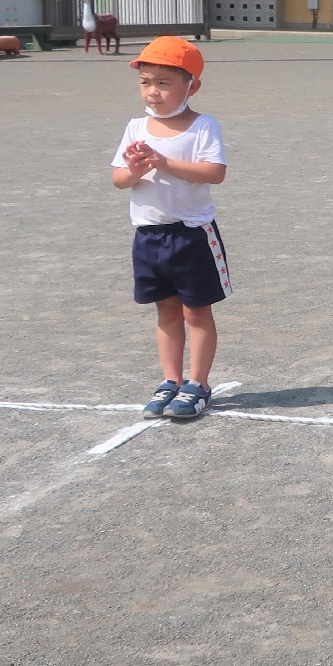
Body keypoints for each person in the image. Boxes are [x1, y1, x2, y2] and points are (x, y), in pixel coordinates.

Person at [109, 37, 229, 420]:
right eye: (146, 82)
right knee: (165, 311)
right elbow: (118, 179)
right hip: (148, 235)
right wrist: (136, 171)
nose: (153, 92)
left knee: (197, 312)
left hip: (191, 234)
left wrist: (162, 162)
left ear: (191, 86)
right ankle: (170, 381)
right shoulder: (135, 127)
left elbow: (215, 172)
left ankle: (198, 384)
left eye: (164, 82)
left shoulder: (203, 126)